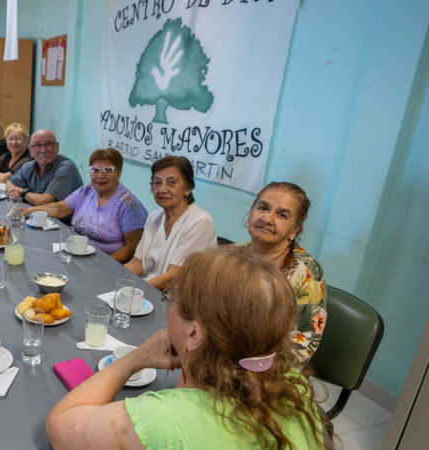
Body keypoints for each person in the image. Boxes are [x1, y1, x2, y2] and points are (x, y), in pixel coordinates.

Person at [46, 248, 325, 449]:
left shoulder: (163, 420)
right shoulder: (296, 385)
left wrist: (135, 358)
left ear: (194, 332)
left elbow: (60, 427)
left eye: (175, 299)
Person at [238, 181, 327, 364]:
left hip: (269, 368)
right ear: (251, 213)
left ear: (295, 228)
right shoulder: (230, 255)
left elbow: (304, 344)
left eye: (282, 215)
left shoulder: (307, 274)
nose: (267, 218)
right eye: (263, 208)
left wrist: (243, 355)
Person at [23, 148, 146, 262]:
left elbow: (131, 249)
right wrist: (29, 211)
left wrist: (104, 264)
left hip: (105, 263)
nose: (100, 175)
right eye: (95, 170)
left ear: (118, 173)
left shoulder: (128, 205)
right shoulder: (87, 190)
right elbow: (60, 208)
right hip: (77, 254)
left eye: (108, 170)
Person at [124, 156, 217, 291]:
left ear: (188, 188)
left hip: (179, 299)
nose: (162, 189)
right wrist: (114, 278)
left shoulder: (201, 222)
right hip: (150, 290)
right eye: (157, 183)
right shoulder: (154, 217)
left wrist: (133, 293)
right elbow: (137, 263)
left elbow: (172, 278)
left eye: (171, 182)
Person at [6, 129, 83, 206]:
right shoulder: (28, 167)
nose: (43, 150)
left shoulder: (66, 168)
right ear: (31, 151)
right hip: (36, 215)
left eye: (48, 144)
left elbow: (44, 201)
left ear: (57, 147)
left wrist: (21, 191)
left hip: (59, 218)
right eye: (38, 145)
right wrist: (13, 192)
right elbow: (9, 182)